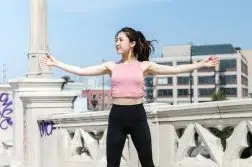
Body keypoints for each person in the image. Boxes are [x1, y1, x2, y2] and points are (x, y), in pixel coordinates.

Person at [40, 27, 220, 167]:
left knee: (147, 163)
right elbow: (81, 71)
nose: (116, 43)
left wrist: (202, 64)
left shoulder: (144, 66)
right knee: (112, 164)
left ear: (132, 43)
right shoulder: (111, 66)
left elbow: (176, 70)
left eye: (120, 39)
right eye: (115, 40)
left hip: (137, 116)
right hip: (117, 117)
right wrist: (56, 63)